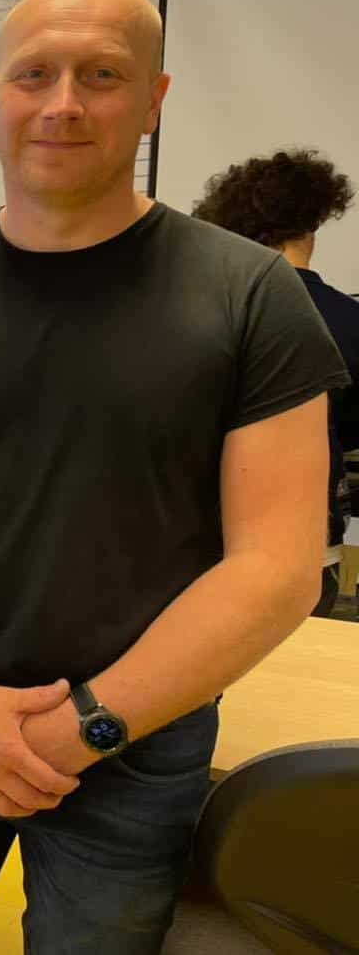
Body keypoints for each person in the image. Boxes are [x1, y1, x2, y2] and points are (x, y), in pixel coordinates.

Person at [0, 0, 348, 953]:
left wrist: (86, 729)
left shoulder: (249, 296)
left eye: (102, 75)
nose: (62, 103)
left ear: (153, 101)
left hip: (131, 747)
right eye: (35, 75)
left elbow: (278, 567)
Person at [193, 149, 358, 617]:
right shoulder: (349, 321)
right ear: (313, 225)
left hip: (196, 547)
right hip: (303, 549)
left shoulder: (196, 314)